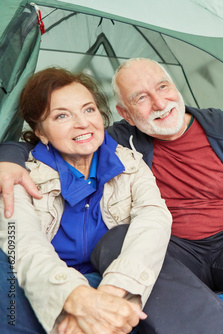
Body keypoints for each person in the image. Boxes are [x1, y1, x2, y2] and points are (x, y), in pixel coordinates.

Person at [0, 58, 223, 333]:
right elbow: (23, 236)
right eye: (141, 98)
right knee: (119, 240)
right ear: (124, 113)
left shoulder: (221, 129)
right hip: (175, 252)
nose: (159, 102)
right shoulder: (120, 142)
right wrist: (7, 158)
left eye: (163, 87)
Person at [0, 67, 172, 333]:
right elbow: (21, 242)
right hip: (46, 284)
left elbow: (155, 219)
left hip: (111, 283)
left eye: (89, 110)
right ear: (41, 133)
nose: (82, 123)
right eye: (62, 116)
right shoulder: (20, 173)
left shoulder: (130, 163)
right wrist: (75, 297)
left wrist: (110, 296)